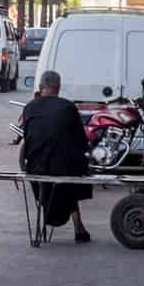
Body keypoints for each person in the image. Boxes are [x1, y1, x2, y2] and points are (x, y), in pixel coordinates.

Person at [18, 69, 92, 243]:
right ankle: (78, 226)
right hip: (65, 169)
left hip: (37, 168)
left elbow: (27, 140)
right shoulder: (68, 107)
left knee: (56, 165)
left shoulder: (29, 107)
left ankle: (45, 217)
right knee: (75, 166)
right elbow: (82, 142)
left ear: (41, 87)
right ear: (58, 87)